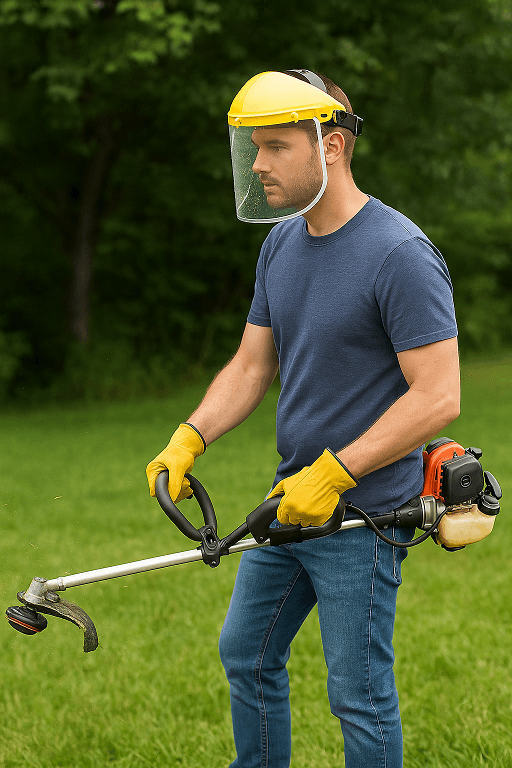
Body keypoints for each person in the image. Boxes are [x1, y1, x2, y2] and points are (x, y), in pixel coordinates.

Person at [146, 70, 460, 768]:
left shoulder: (399, 253)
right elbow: (253, 365)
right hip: (291, 502)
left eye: (276, 147)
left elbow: (438, 396)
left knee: (358, 692)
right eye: (254, 148)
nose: (257, 164)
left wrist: (339, 471)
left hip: (363, 516)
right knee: (246, 656)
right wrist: (189, 436)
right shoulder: (281, 245)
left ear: (333, 146)